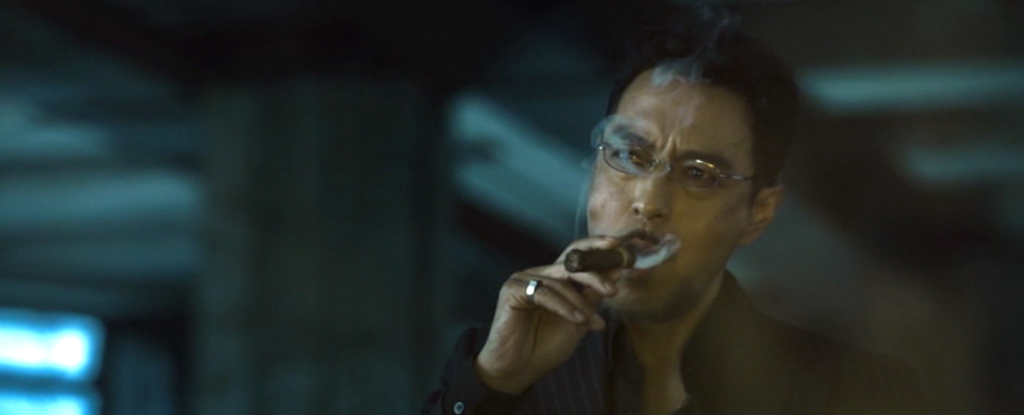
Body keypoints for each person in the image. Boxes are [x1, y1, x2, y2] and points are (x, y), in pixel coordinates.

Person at [421, 5, 925, 415]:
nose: (649, 201)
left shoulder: (853, 390)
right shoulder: (503, 370)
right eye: (630, 156)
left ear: (758, 212)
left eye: (700, 174)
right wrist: (496, 382)